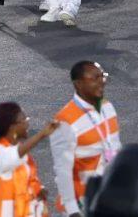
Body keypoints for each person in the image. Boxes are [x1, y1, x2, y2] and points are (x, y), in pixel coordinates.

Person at [50, 61, 121, 217]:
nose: (101, 81)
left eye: (102, 76)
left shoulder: (108, 107)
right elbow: (62, 169)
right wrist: (72, 209)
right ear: (79, 84)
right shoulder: (65, 120)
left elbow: (115, 148)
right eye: (94, 78)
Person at [0, 101, 59, 217]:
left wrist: (38, 190)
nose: (28, 123)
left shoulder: (23, 154)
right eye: (24, 119)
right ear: (12, 127)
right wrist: (41, 135)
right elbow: (12, 157)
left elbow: (29, 179)